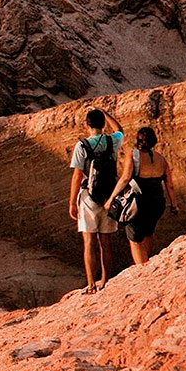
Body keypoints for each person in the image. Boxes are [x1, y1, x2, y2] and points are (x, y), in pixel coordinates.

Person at [68, 108, 123, 292]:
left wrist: (71, 203)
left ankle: (91, 284)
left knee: (89, 241)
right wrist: (107, 114)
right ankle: (105, 281)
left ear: (87, 125)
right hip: (109, 196)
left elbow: (77, 176)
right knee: (106, 242)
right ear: (103, 124)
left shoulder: (82, 146)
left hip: (88, 198)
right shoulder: (112, 141)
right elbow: (120, 129)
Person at [106, 126, 179, 265]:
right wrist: (174, 205)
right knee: (148, 233)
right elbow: (170, 185)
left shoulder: (133, 155)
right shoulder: (162, 159)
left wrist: (111, 199)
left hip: (138, 201)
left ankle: (142, 269)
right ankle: (146, 263)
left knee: (134, 238)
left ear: (138, 140)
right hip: (157, 201)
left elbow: (125, 178)